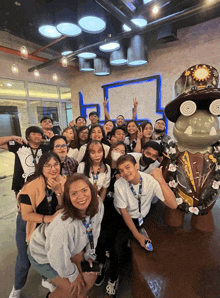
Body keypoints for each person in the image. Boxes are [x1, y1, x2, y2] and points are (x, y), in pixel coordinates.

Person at [109, 155, 177, 297]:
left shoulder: (150, 181)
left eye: (127, 167)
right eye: (121, 170)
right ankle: (113, 278)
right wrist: (137, 235)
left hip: (143, 216)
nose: (125, 172)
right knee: (116, 247)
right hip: (125, 218)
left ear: (136, 166)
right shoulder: (119, 184)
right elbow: (125, 212)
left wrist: (161, 180)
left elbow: (173, 204)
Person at [28, 173, 104, 298]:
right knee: (75, 289)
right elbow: (56, 256)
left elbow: (95, 229)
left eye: (84, 190)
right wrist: (73, 275)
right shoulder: (64, 224)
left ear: (91, 190)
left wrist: (89, 254)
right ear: (68, 198)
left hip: (70, 247)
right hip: (42, 253)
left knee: (91, 276)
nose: (81, 197)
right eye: (74, 193)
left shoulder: (98, 204)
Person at [9, 152, 65, 298]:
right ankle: (17, 288)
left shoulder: (62, 182)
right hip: (28, 224)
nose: (53, 169)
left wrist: (59, 193)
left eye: (56, 164)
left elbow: (62, 209)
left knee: (48, 255)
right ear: (41, 167)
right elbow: (26, 215)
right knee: (24, 259)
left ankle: (46, 278)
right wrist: (50, 218)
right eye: (48, 165)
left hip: (47, 226)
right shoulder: (31, 185)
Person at [95, 141, 127, 288]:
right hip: (102, 208)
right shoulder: (103, 167)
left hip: (119, 212)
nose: (118, 152)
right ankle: (100, 266)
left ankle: (113, 278)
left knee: (116, 246)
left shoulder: (125, 171)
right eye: (116, 149)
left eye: (122, 151)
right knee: (100, 240)